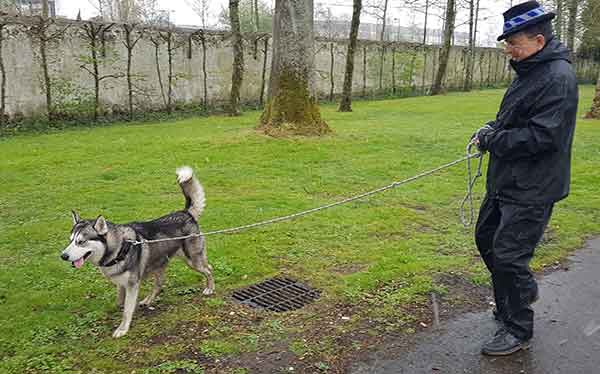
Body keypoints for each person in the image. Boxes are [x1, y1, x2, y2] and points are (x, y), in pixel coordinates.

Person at [472, 1, 578, 356]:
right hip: (507, 180)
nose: (508, 51)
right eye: (506, 44)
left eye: (513, 44)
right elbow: (516, 119)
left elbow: (541, 137)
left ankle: (517, 328)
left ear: (538, 40)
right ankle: (514, 297)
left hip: (533, 187)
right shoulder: (531, 70)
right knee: (486, 239)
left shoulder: (557, 78)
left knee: (509, 257)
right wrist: (493, 127)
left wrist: (492, 140)